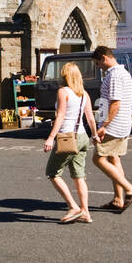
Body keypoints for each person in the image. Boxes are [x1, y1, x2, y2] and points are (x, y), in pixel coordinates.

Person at [42, 62, 98, 224]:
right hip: (82, 136)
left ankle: (73, 206)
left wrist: (51, 137)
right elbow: (90, 118)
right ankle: (85, 212)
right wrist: (94, 135)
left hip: (66, 137)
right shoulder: (84, 94)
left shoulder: (63, 92)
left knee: (53, 173)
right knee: (79, 175)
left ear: (65, 76)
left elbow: (60, 116)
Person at [91, 45, 132, 212]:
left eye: (98, 63)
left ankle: (130, 189)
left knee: (98, 159)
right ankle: (118, 199)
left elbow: (115, 102)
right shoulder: (124, 73)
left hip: (113, 126)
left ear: (104, 58)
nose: (99, 67)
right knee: (114, 158)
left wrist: (104, 125)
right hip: (122, 124)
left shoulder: (114, 75)